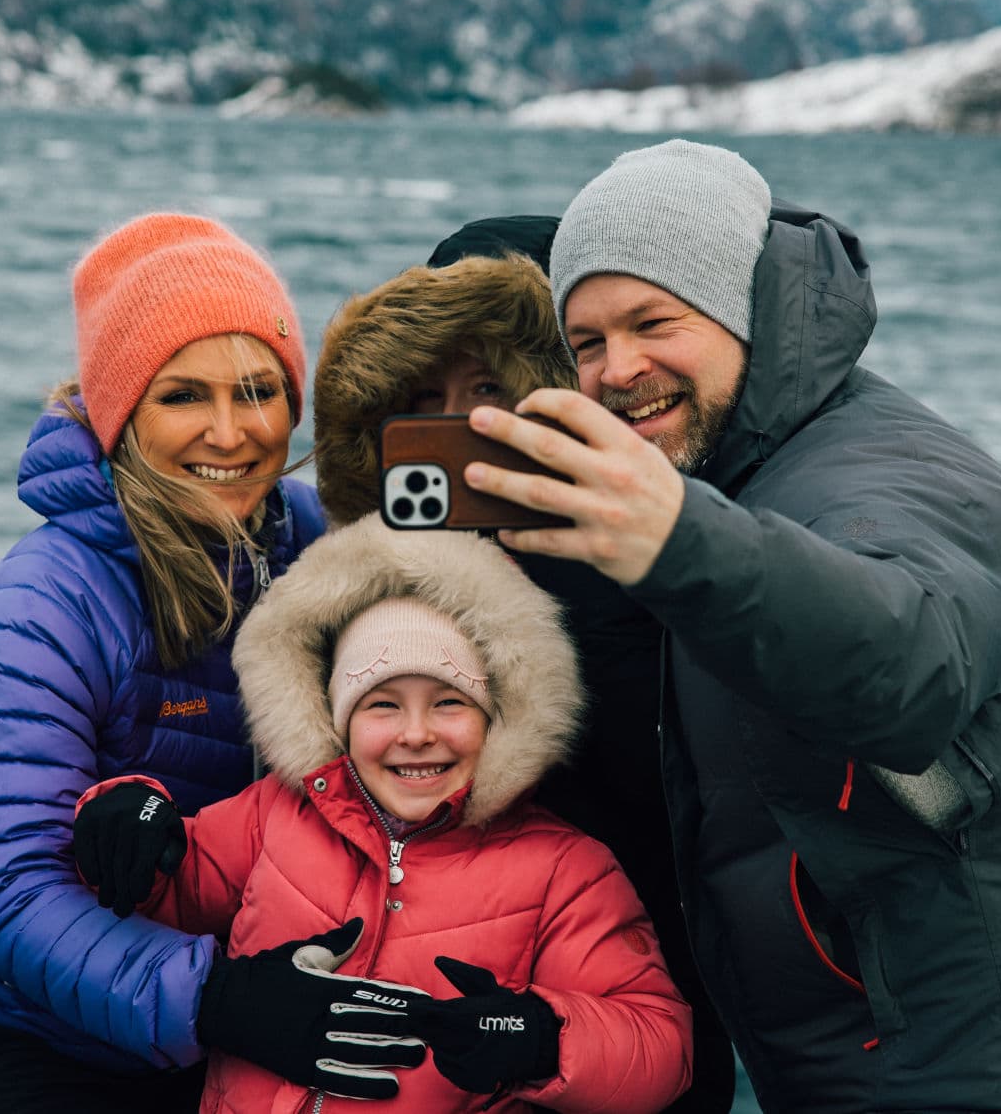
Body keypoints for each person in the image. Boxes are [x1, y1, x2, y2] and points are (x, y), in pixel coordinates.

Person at [464, 140, 1001, 1113]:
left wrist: (673, 539)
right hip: (898, 1033)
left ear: (739, 308)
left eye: (654, 322)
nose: (618, 367)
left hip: (1000, 1058)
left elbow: (911, 663)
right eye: (586, 342)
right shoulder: (755, 459)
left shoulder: (865, 480)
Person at [0, 212, 351, 1112]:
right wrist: (222, 998)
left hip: (190, 1004)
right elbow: (19, 896)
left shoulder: (310, 542)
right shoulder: (37, 613)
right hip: (8, 1033)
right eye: (182, 396)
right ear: (121, 414)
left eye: (258, 390)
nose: (229, 432)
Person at [312, 216, 740, 1112]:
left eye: (488, 387)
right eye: (425, 394)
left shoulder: (652, 561)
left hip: (630, 990)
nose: (459, 422)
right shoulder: (361, 572)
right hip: (424, 1016)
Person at [69, 517, 695, 1112]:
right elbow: (167, 887)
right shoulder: (274, 815)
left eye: (449, 702)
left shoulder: (563, 870)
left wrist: (541, 1039)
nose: (416, 734)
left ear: (502, 717)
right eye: (382, 705)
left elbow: (661, 1047)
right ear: (338, 720)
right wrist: (126, 816)